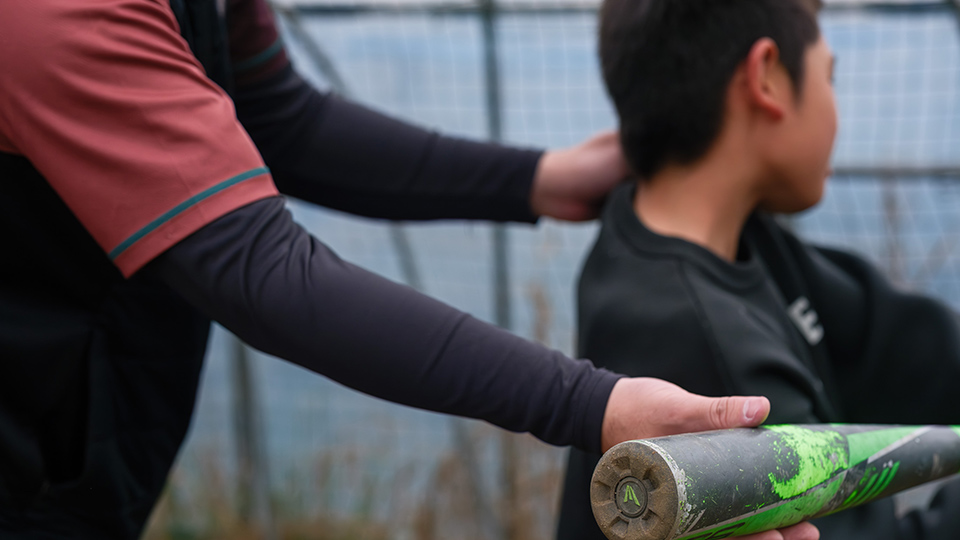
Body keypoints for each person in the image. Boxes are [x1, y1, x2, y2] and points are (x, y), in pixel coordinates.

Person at [0, 1, 821, 539]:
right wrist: (592, 404)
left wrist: (532, 179)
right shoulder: (54, 15)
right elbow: (259, 268)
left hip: (86, 444)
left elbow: (280, 116)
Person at [558, 0, 960, 538]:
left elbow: (894, 343)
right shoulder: (704, 358)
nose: (837, 104)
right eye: (829, 76)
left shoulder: (723, 235)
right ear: (767, 77)